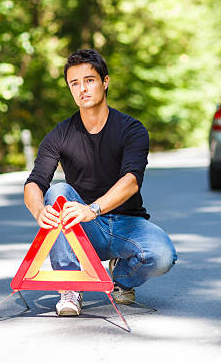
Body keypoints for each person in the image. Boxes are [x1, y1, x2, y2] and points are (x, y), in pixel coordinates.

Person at [23, 49, 177, 316]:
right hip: (82, 229)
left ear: (105, 81)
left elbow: (131, 181)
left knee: (163, 256)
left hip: (126, 222)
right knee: (58, 191)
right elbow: (34, 183)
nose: (82, 88)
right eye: (74, 83)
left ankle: (121, 278)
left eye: (89, 80)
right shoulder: (59, 134)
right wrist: (39, 211)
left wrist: (92, 208)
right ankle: (70, 285)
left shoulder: (131, 129)